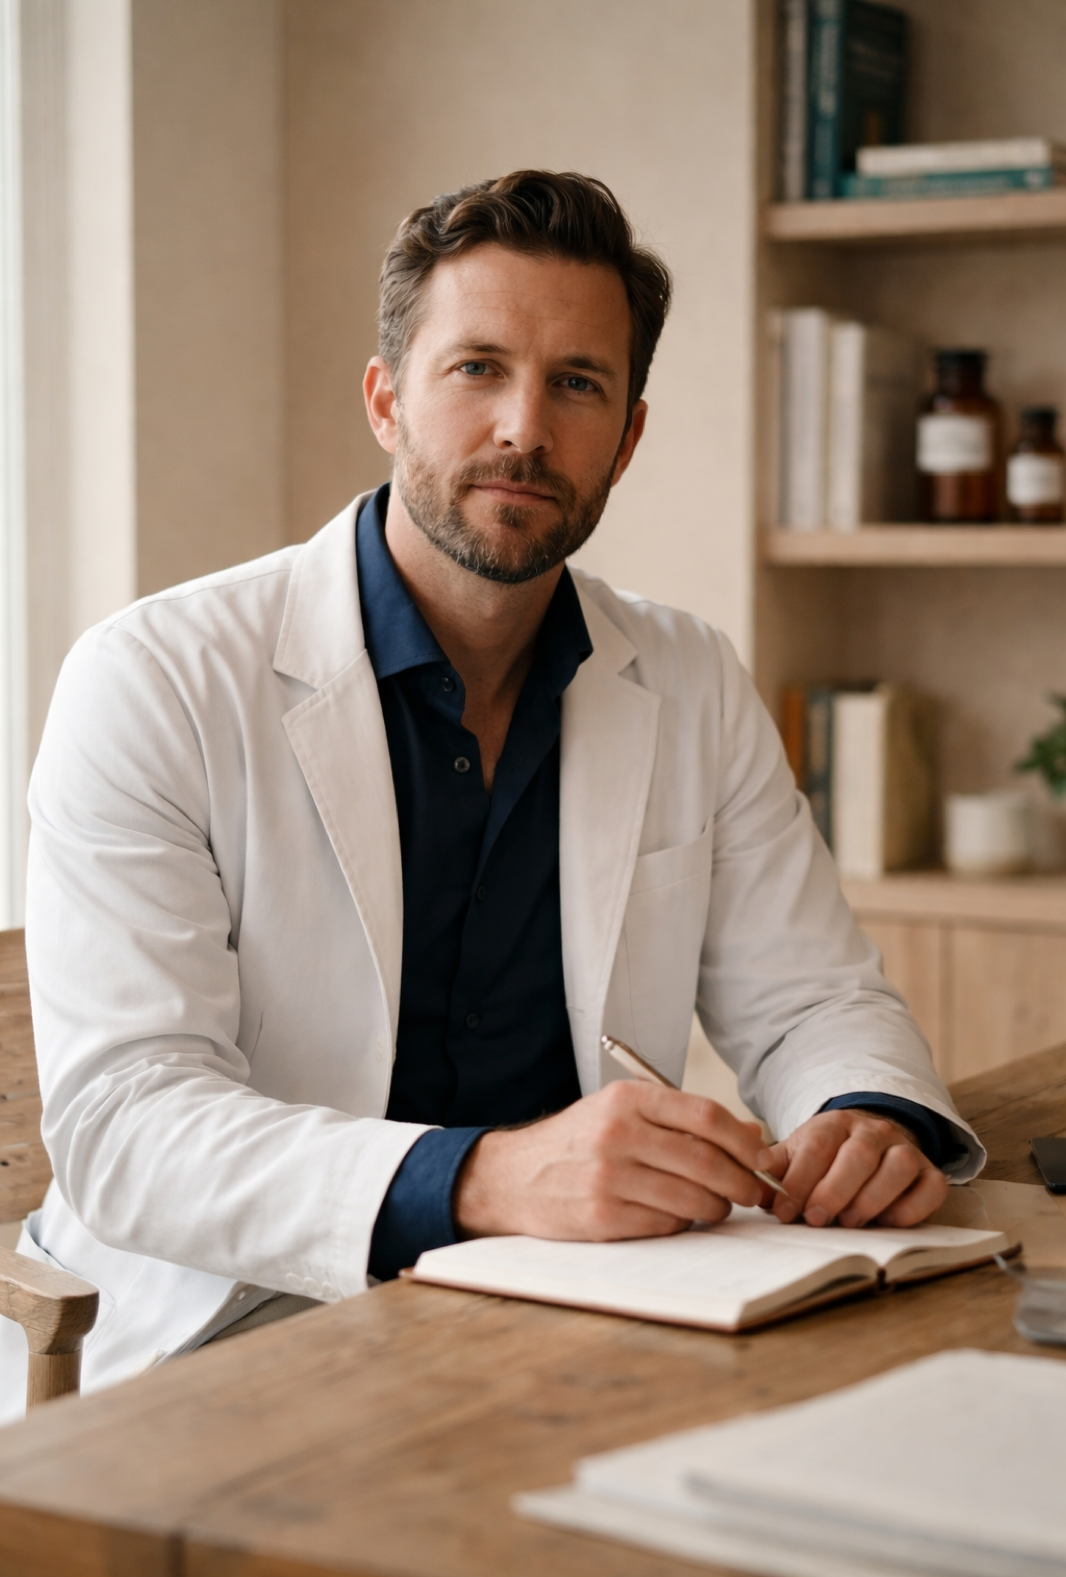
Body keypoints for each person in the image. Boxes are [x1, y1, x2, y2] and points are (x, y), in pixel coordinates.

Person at [0, 171, 983, 1415]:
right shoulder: (151, 677)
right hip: (225, 1332)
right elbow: (130, 1127)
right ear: (384, 399)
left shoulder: (687, 674)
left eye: (578, 383)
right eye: (476, 368)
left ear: (625, 436)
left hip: (574, 1313)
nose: (525, 426)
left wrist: (866, 1110)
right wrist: (485, 1178)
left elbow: (813, 999)